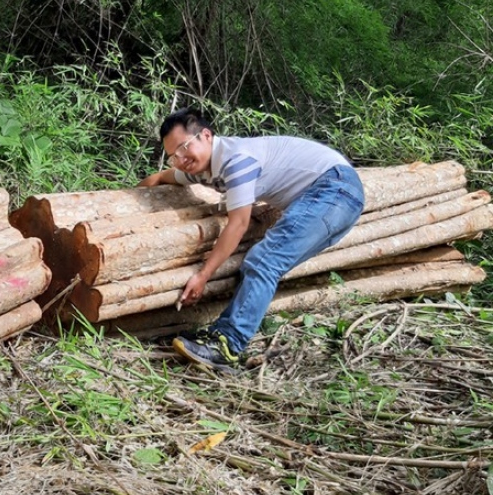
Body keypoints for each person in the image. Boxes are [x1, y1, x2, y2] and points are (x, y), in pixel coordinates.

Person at [139, 107, 365, 369]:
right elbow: (159, 177)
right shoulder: (200, 168)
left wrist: (202, 275)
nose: (180, 159)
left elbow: (238, 225)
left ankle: (228, 344)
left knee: (264, 261)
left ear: (206, 136)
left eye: (184, 147)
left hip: (336, 190)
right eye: (172, 155)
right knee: (265, 261)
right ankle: (222, 335)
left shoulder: (236, 160)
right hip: (331, 194)